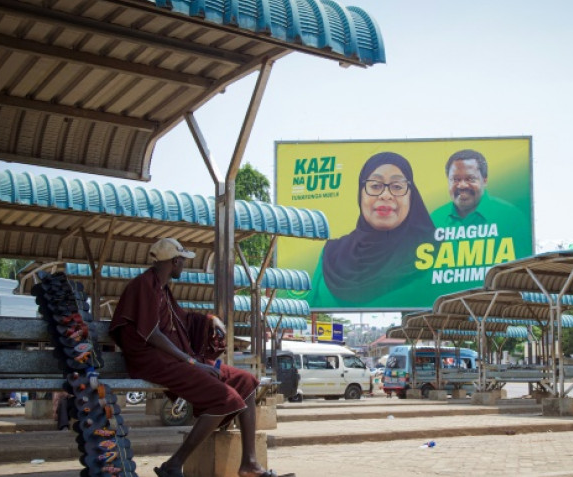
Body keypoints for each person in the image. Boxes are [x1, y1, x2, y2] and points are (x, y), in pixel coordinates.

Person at [109, 238, 287, 477]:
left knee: (246, 382)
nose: (184, 264)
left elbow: (181, 321)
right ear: (174, 261)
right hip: (152, 361)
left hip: (175, 359)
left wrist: (209, 320)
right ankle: (173, 464)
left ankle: (249, 463)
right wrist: (191, 362)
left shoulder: (162, 289)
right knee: (225, 398)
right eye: (182, 260)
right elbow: (151, 333)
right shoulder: (144, 286)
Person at [310, 152, 435, 307]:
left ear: (411, 195)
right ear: (360, 193)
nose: (385, 195)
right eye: (375, 186)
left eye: (397, 187)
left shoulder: (434, 249)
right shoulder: (332, 253)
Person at [429, 149, 530, 232]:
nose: (462, 185)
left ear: (485, 180)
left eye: (470, 179)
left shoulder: (511, 217)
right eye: (455, 179)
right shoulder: (434, 220)